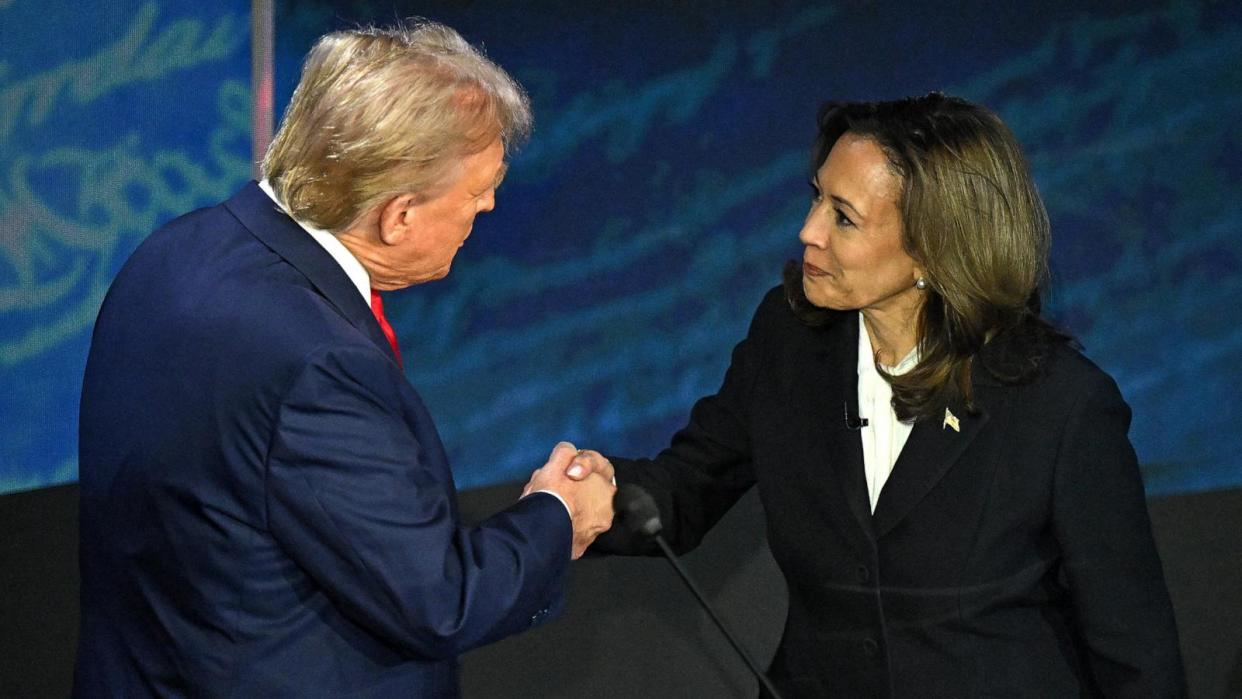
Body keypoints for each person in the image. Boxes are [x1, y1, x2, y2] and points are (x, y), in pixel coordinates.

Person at [566, 93, 1186, 697]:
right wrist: (587, 496)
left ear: (933, 247)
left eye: (844, 216)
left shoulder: (1061, 405)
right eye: (816, 199)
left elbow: (1134, 651)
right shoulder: (787, 340)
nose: (808, 231)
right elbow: (687, 487)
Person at [74, 21, 614, 697]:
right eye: (476, 194)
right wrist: (556, 514)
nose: (489, 203)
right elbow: (439, 600)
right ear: (400, 215)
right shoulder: (319, 363)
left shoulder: (173, 252)